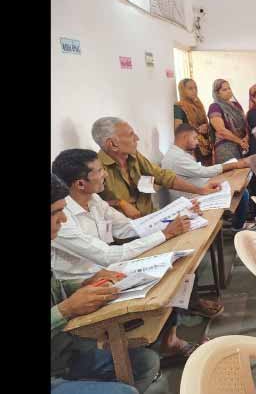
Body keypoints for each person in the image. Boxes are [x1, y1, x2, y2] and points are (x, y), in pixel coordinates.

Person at [51, 149, 217, 359]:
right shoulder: (62, 220)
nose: (105, 174)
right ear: (80, 184)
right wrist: (165, 234)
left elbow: (129, 227)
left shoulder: (94, 200)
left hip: (104, 273)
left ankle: (169, 339)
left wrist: (178, 214)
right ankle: (159, 343)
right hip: (85, 287)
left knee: (174, 269)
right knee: (163, 281)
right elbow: (107, 255)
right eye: (100, 171)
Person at [51, 173, 160, 394]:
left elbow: (55, 287)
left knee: (145, 363)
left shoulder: (95, 201)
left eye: (62, 210)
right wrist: (66, 309)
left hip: (62, 353)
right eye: (55, 213)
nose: (63, 219)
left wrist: (82, 284)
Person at [91, 117, 220, 219]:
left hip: (152, 219)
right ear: (112, 144)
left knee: (194, 215)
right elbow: (89, 205)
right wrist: (119, 203)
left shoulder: (134, 156)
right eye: (131, 135)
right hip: (127, 233)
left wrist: (200, 190)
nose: (137, 138)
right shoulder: (96, 169)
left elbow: (163, 176)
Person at [161, 123, 255, 231]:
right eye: (195, 138)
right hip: (191, 199)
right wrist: (234, 165)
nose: (197, 142)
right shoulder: (176, 157)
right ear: (185, 137)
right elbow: (204, 172)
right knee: (242, 193)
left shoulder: (179, 154)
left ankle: (233, 223)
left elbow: (199, 172)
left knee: (235, 187)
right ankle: (237, 227)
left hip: (197, 192)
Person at [208, 79, 250, 163]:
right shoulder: (214, 107)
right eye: (224, 90)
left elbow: (245, 123)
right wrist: (240, 141)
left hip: (242, 146)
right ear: (217, 93)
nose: (228, 91)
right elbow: (221, 131)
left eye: (229, 88)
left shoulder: (236, 105)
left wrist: (246, 137)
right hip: (226, 148)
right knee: (231, 171)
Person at [174, 78, 212, 165]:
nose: (194, 91)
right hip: (192, 146)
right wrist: (197, 130)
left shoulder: (198, 105)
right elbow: (178, 129)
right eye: (190, 88)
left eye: (195, 88)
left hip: (206, 144)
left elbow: (205, 122)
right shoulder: (179, 107)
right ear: (183, 90)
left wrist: (207, 127)